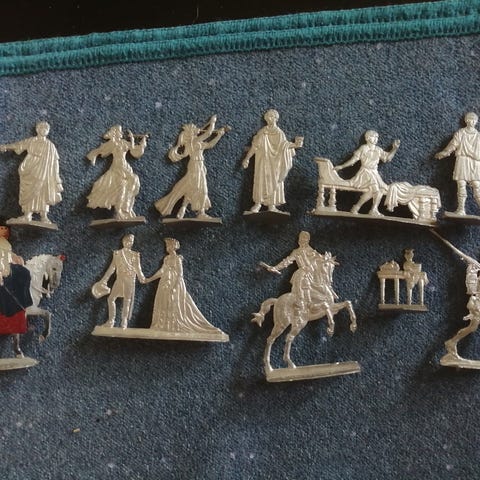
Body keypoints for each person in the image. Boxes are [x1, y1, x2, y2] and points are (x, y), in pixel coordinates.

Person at [155, 116, 229, 219]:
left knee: (192, 187)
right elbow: (208, 133)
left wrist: (219, 135)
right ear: (191, 133)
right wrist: (212, 122)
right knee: (200, 187)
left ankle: (184, 209)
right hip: (195, 166)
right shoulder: (192, 142)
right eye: (195, 129)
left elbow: (210, 145)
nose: (198, 129)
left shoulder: (197, 143)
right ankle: (200, 212)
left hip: (200, 166)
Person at [147, 238, 223, 335]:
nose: (167, 247)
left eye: (169, 245)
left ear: (174, 247)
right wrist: (149, 279)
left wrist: (174, 287)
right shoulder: (166, 258)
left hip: (175, 282)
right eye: (167, 245)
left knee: (175, 303)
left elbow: (180, 274)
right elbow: (162, 271)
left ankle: (175, 325)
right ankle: (165, 326)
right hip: (165, 282)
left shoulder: (177, 258)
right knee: (164, 302)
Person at [0, 121, 63, 224]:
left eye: (46, 129)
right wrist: (6, 147)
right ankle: (27, 215)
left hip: (44, 171)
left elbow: (55, 162)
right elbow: (19, 145)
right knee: (28, 190)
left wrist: (55, 175)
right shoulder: (31, 141)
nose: (44, 130)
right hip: (29, 170)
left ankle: (44, 216)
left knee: (43, 191)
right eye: (41, 128)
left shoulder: (50, 145)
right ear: (37, 129)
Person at [242, 109, 303, 213]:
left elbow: (284, 145)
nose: (269, 119)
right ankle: (258, 204)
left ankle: (272, 205)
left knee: (275, 181)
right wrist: (246, 159)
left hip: (276, 163)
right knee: (260, 181)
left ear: (276, 118)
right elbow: (255, 147)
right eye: (267, 117)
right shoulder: (262, 132)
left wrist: (295, 145)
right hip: (263, 162)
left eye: (271, 116)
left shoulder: (279, 133)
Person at [87, 125, 148, 220]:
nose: (122, 133)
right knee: (122, 186)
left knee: (134, 182)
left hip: (125, 167)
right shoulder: (113, 143)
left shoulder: (123, 142)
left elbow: (135, 152)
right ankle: (118, 211)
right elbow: (100, 151)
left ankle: (127, 209)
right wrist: (93, 156)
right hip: (117, 168)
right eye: (120, 132)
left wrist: (139, 141)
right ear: (115, 133)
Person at [334, 130, 400, 215]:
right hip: (365, 173)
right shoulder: (363, 148)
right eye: (373, 136)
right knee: (376, 190)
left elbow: (387, 158)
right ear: (367, 138)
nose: (375, 139)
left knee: (380, 190)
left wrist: (394, 149)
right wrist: (342, 166)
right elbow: (353, 160)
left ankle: (360, 208)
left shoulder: (378, 150)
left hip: (374, 174)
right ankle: (370, 209)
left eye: (376, 137)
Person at [92, 234, 147, 329]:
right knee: (111, 299)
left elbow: (138, 268)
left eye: (131, 241)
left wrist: (141, 277)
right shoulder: (117, 254)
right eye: (128, 241)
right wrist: (104, 280)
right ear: (123, 241)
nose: (129, 243)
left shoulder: (135, 255)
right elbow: (112, 268)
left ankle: (124, 321)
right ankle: (111, 321)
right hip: (120, 279)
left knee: (127, 300)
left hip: (130, 280)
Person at [263, 231, 321, 314]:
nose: (302, 240)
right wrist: (275, 267)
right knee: (300, 275)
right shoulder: (296, 252)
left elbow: (322, 261)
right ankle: (300, 302)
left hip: (314, 274)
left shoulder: (313, 252)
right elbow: (286, 261)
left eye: (304, 238)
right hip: (302, 272)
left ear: (308, 240)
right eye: (301, 238)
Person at [435, 112, 480, 215]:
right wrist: (444, 153)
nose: (471, 121)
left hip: (475, 163)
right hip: (462, 160)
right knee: (461, 184)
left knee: (477, 185)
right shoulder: (461, 133)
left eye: (474, 120)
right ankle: (461, 209)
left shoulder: (478, 136)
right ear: (466, 120)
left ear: (476, 122)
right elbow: (453, 144)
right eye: (470, 119)